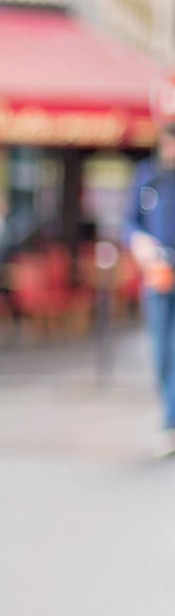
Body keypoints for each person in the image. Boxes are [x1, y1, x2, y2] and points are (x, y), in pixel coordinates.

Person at [124, 120, 175, 455]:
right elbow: (129, 221)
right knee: (159, 351)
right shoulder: (147, 175)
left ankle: (171, 422)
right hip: (157, 275)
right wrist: (139, 242)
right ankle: (168, 417)